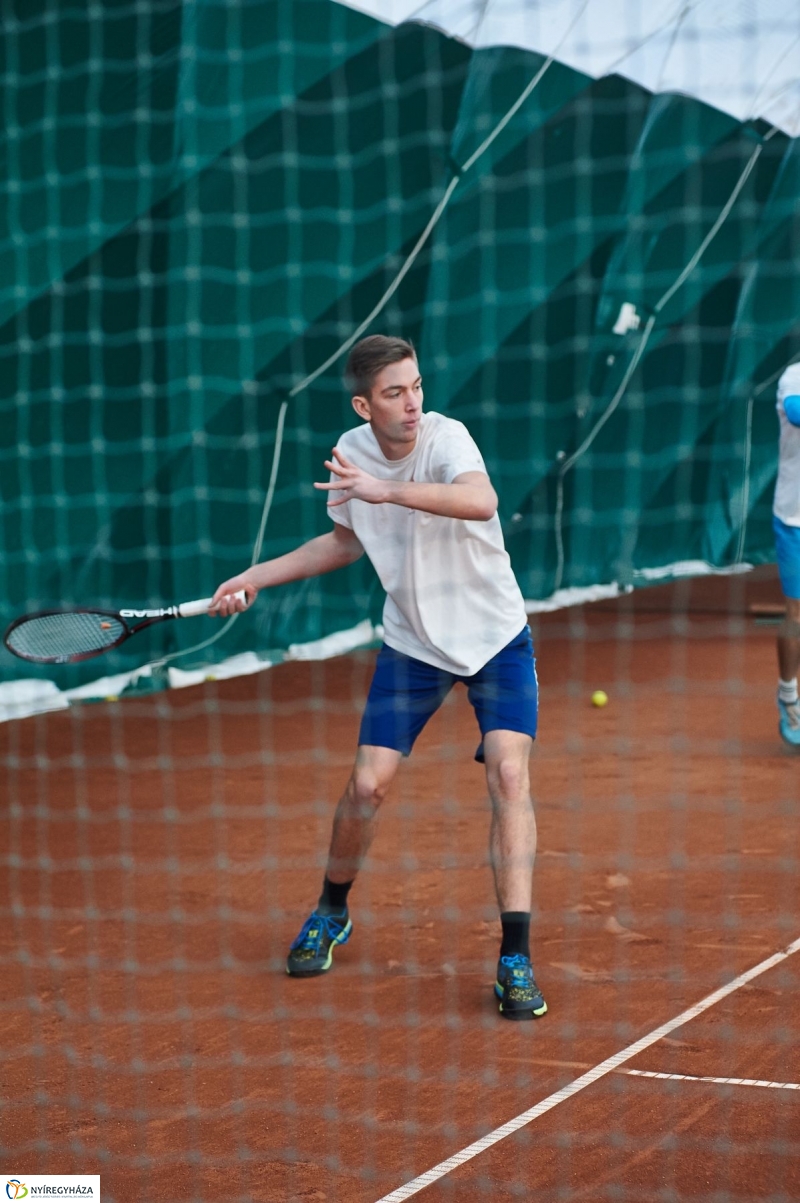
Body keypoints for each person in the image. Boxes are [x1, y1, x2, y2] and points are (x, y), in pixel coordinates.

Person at [211, 335, 546, 1019]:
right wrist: (255, 577)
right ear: (365, 403)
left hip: (494, 637)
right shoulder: (351, 452)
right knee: (367, 783)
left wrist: (385, 489)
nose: (413, 402)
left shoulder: (447, 438)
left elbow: (480, 501)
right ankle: (332, 910)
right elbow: (343, 541)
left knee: (509, 774)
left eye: (417, 385)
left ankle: (515, 955)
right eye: (395, 393)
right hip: (415, 642)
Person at [773, 361, 800, 748]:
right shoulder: (793, 376)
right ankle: (788, 694)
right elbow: (796, 412)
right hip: (794, 520)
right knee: (796, 615)